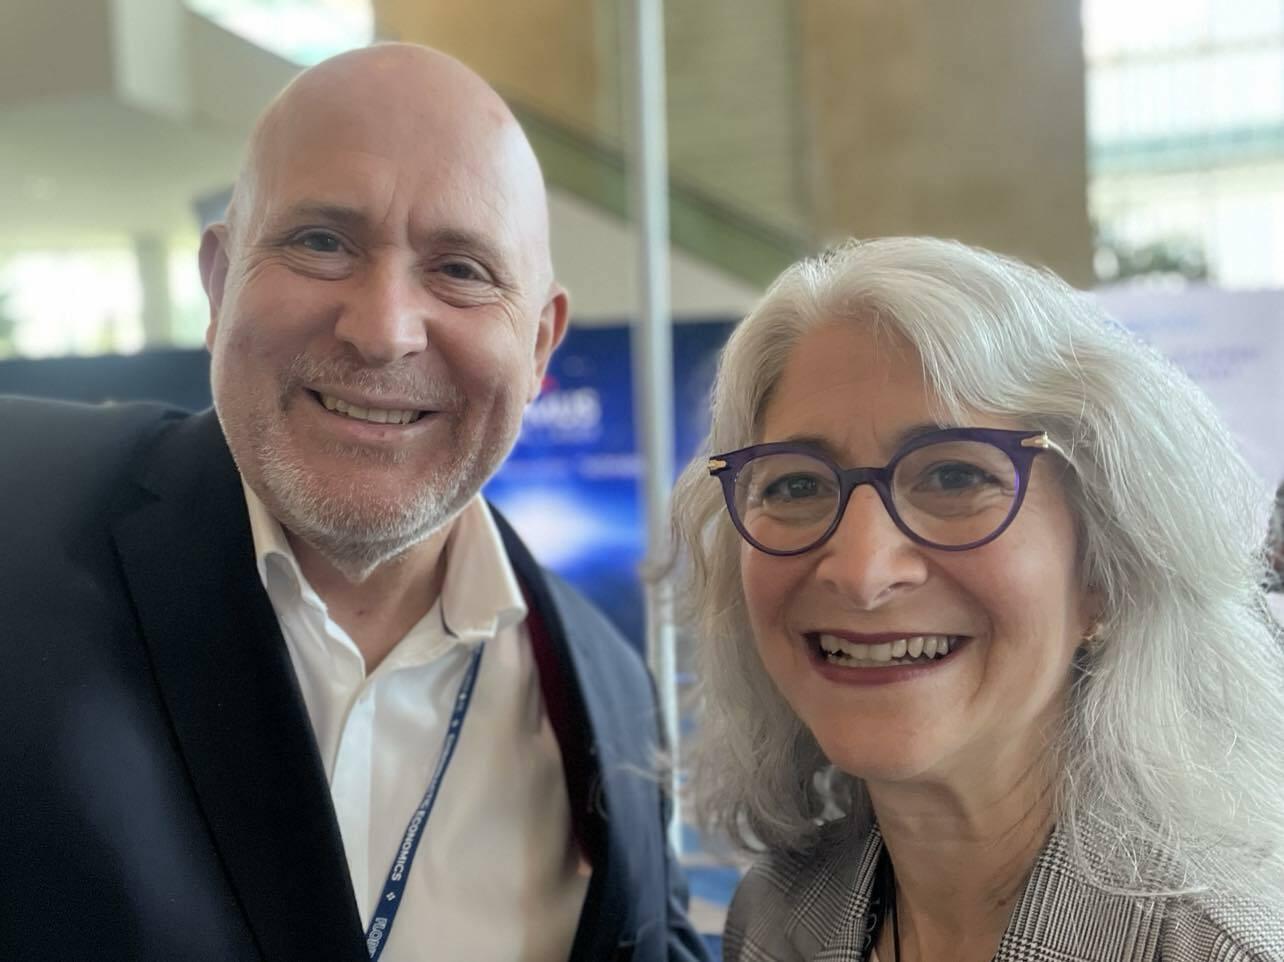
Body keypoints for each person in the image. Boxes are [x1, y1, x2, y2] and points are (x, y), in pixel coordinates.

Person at [0, 44, 707, 962]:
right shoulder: (16, 511)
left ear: (539, 346)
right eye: (321, 243)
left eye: (461, 269)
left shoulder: (613, 698)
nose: (382, 331)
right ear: (218, 283)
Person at [669, 237, 1284, 961]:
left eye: (955, 477)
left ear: (1105, 571)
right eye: (796, 484)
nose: (862, 573)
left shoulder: (1226, 947)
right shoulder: (775, 916)